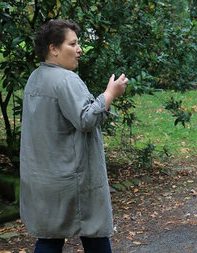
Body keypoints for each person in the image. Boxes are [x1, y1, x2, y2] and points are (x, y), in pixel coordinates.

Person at [20, 19, 128, 253]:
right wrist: (110, 94)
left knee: (49, 237)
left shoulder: (35, 78)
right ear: (54, 49)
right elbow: (86, 119)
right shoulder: (66, 79)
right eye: (73, 44)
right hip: (72, 179)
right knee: (94, 231)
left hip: (43, 178)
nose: (79, 49)